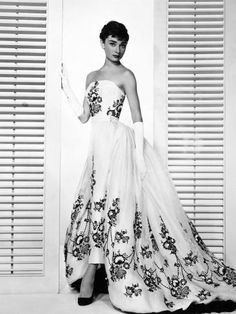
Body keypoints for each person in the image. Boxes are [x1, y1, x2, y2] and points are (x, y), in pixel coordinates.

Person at [61, 21, 236, 313]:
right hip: (97, 150)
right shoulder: (91, 76)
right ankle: (93, 271)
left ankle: (93, 275)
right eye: (112, 43)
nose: (117, 49)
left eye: (122, 44)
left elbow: (137, 117)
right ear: (102, 42)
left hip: (119, 147)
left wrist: (140, 158)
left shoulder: (127, 75)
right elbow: (84, 117)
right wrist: (65, 88)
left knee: (112, 207)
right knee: (96, 207)